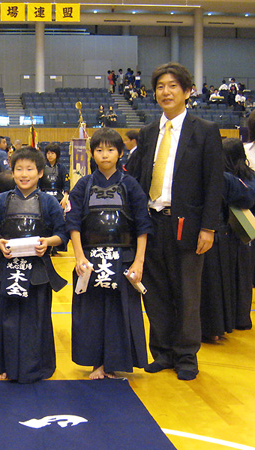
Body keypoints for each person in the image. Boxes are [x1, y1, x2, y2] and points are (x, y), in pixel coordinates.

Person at [126, 62, 224, 381]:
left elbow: (214, 183)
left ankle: (185, 355)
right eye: (160, 87)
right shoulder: (148, 131)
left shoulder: (204, 131)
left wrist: (208, 227)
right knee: (154, 291)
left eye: (172, 86)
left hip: (188, 224)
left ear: (187, 91)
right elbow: (139, 179)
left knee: (187, 292)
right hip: (152, 223)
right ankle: (163, 351)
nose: (165, 92)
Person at [67, 128, 152, 379]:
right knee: (92, 313)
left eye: (111, 149)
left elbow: (143, 224)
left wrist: (139, 261)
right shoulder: (83, 184)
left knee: (119, 312)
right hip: (91, 260)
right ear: (92, 154)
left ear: (121, 153)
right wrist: (79, 257)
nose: (105, 155)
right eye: (99, 150)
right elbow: (72, 223)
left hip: (123, 258)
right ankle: (96, 363)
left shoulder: (130, 185)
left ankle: (114, 363)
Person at [0, 147, 68, 383]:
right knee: (5, 318)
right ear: (12, 171)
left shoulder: (49, 202)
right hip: (8, 268)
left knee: (35, 319)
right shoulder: (2, 200)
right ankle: (4, 364)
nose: (24, 174)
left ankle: (36, 366)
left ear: (40, 172)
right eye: (18, 169)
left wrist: (47, 242)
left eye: (29, 169)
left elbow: (62, 235)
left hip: (38, 270)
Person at [200, 138, 255, 342]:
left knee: (222, 282)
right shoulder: (244, 177)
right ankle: (239, 318)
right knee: (240, 279)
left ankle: (226, 322)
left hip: (227, 235)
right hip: (239, 236)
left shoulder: (224, 178)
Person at [39, 142, 69, 206]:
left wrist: (65, 196)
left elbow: (66, 184)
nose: (50, 155)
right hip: (44, 196)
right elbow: (37, 184)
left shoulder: (62, 168)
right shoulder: (42, 168)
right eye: (48, 153)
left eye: (52, 153)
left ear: (57, 154)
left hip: (58, 197)